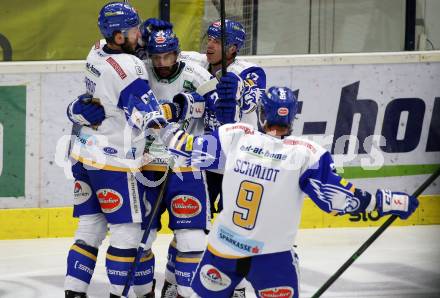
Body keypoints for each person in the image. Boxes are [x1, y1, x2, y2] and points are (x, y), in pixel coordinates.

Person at [157, 86, 419, 298]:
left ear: (262, 115)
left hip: (223, 251)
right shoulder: (306, 154)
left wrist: (158, 124)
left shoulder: (236, 137)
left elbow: (184, 146)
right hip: (272, 257)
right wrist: (389, 201)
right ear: (292, 118)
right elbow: (342, 200)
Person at [64, 2, 166, 297]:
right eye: (134, 30)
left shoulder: (96, 49)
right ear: (119, 36)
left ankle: (74, 293)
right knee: (128, 234)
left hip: (84, 153)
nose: (139, 34)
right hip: (114, 163)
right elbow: (150, 117)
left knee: (90, 229)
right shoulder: (131, 69)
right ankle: (118, 294)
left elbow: (106, 87)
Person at [137, 27, 214, 298]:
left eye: (167, 57)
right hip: (145, 166)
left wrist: (191, 103)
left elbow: (215, 107)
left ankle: (184, 294)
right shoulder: (140, 71)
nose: (161, 64)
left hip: (186, 166)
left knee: (192, 239)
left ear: (177, 54)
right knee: (139, 241)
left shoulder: (195, 75)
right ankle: (144, 293)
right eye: (156, 57)